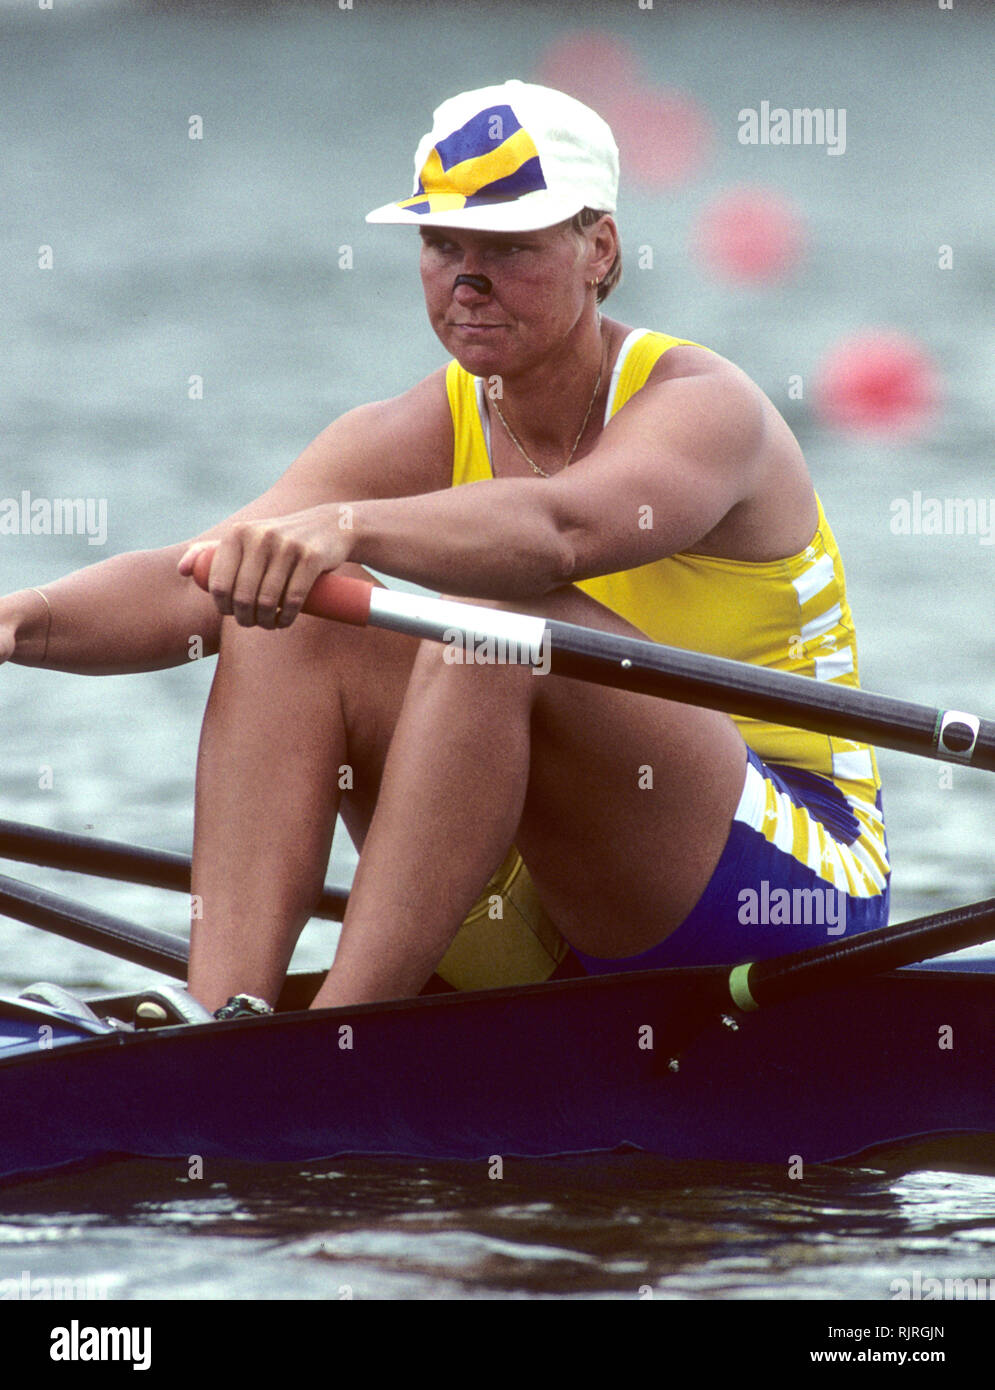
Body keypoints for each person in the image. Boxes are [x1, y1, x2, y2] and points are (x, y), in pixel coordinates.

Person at [2, 80, 889, 1019]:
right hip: (554, 889)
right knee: (287, 606)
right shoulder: (418, 425)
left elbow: (558, 532)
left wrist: (348, 527)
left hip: (786, 897)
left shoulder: (704, 409)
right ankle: (221, 1022)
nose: (467, 280)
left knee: (497, 626)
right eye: (442, 245)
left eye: (506, 248)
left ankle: (336, 1041)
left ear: (600, 250)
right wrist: (21, 620)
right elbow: (209, 572)